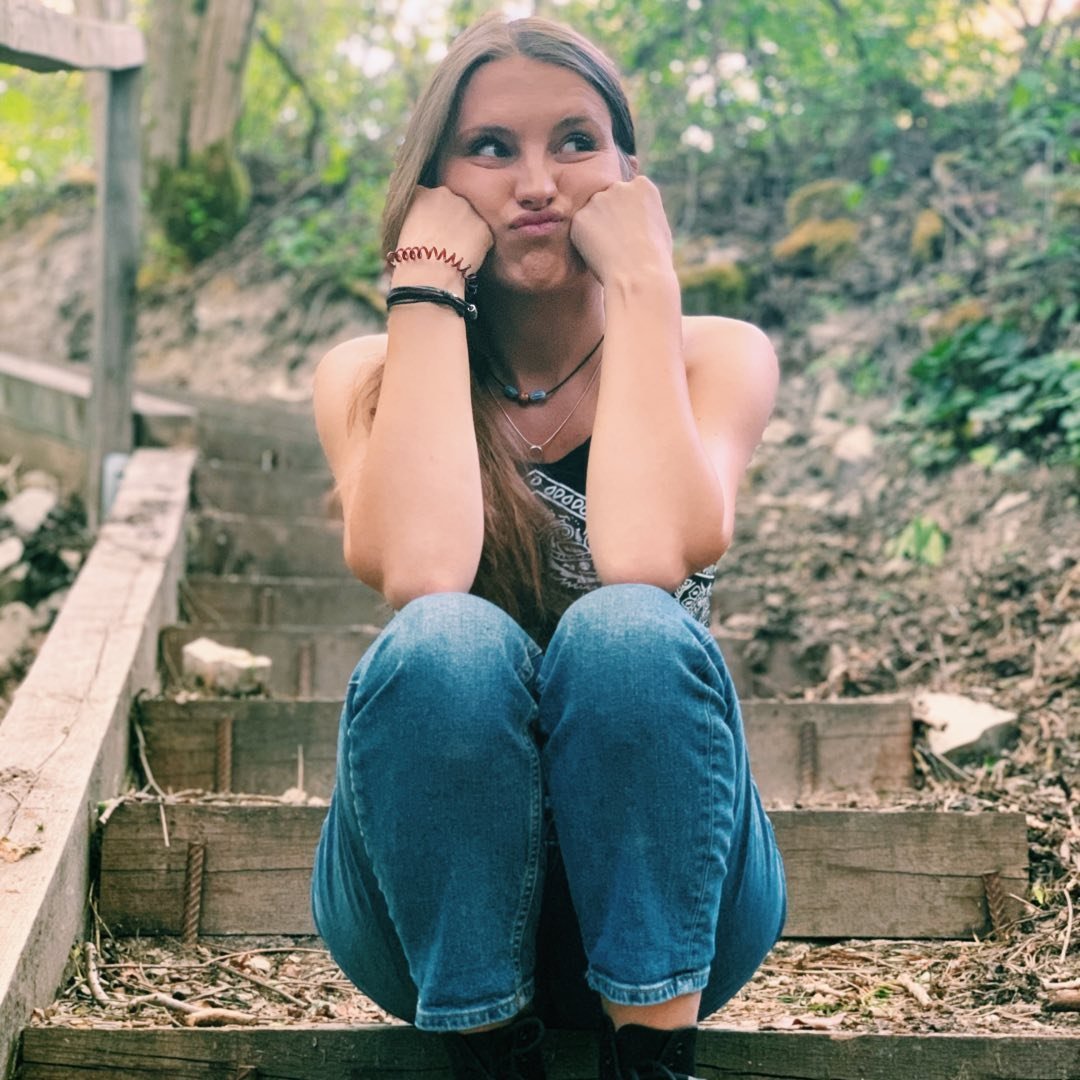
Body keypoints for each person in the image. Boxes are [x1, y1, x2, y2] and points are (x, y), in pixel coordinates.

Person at [310, 14, 786, 1080]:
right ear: (435, 183)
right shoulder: (365, 374)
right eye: (490, 148)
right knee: (443, 638)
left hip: (680, 897)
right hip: (426, 914)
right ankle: (488, 1057)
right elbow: (424, 573)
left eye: (575, 142)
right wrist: (426, 285)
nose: (537, 184)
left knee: (628, 632)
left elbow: (644, 561)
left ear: (628, 175)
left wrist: (645, 285)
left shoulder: (718, 359)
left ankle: (653, 1059)